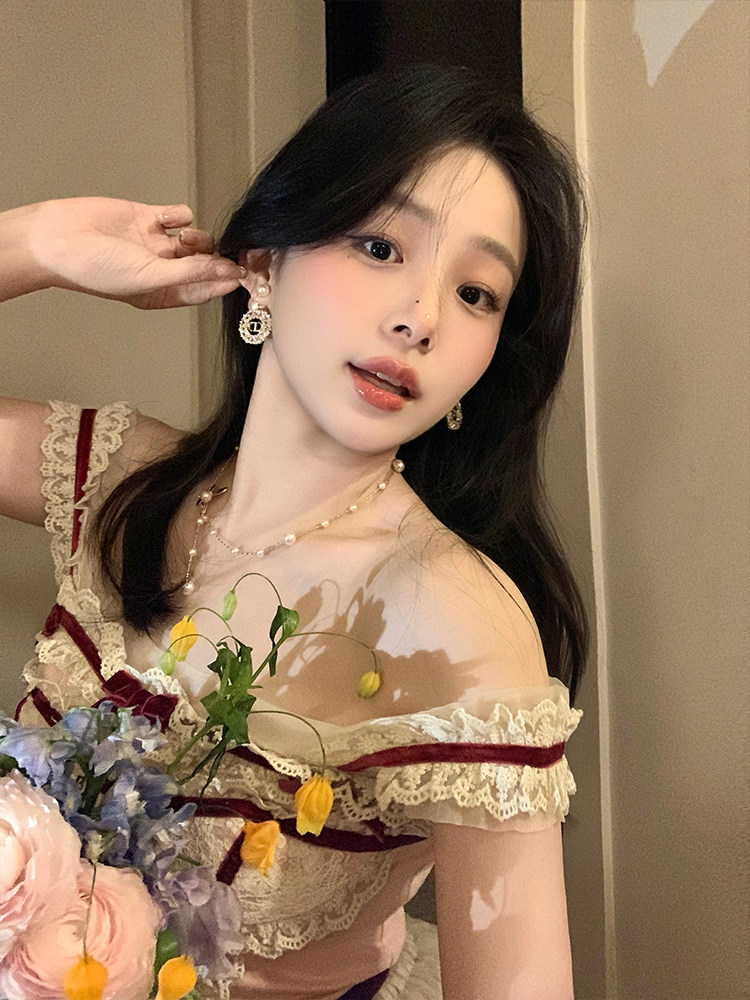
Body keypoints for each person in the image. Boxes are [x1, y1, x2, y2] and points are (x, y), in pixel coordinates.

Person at [0, 65, 587, 1000]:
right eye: (380, 245)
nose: (422, 318)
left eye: (478, 294)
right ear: (265, 262)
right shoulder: (117, 478)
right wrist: (35, 241)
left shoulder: (456, 624)